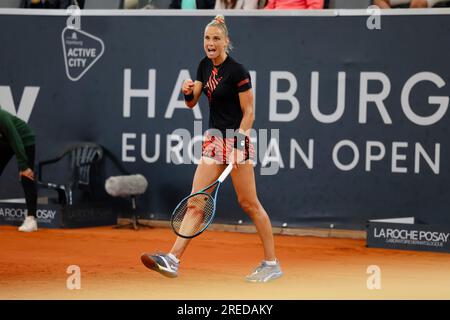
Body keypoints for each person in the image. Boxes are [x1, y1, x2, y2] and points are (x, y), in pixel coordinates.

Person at [141, 15, 283, 283]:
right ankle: (172, 259)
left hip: (236, 140)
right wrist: (187, 91)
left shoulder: (238, 71)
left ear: (226, 42)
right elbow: (192, 103)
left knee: (249, 204)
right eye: (207, 38)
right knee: (196, 202)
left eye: (216, 38)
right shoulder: (203, 66)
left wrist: (239, 145)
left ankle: (271, 263)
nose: (211, 43)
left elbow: (249, 112)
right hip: (213, 139)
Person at [0, 109, 38, 232]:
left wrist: (24, 166)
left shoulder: (2, 116)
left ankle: (31, 220)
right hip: (5, 141)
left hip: (24, 139)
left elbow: (15, 139)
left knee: (26, 177)